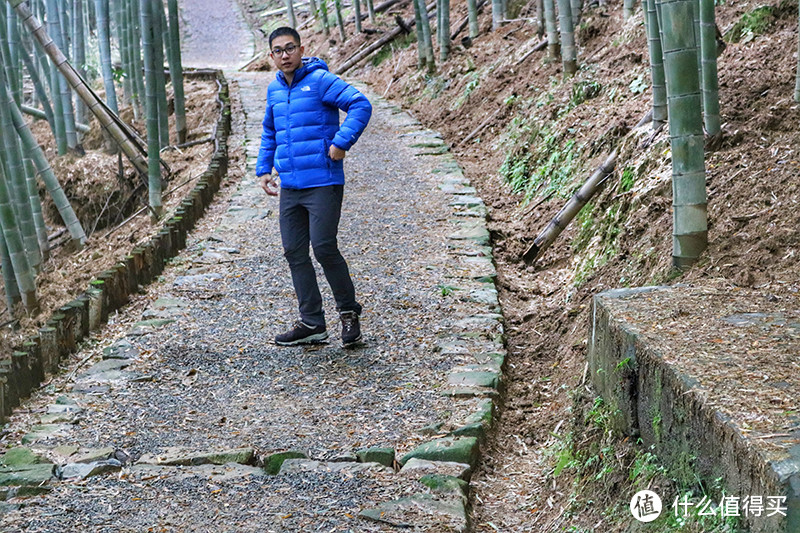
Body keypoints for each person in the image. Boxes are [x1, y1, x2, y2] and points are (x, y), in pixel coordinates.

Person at [256, 26, 372, 347]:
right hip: (291, 185)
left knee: (323, 247)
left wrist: (341, 142)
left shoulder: (320, 80)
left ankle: (348, 314)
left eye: (290, 48)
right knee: (294, 251)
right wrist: (264, 169)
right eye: (278, 50)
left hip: (323, 181)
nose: (284, 55)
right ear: (271, 56)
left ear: (301, 49)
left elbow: (360, 104)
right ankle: (312, 323)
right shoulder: (274, 91)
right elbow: (270, 131)